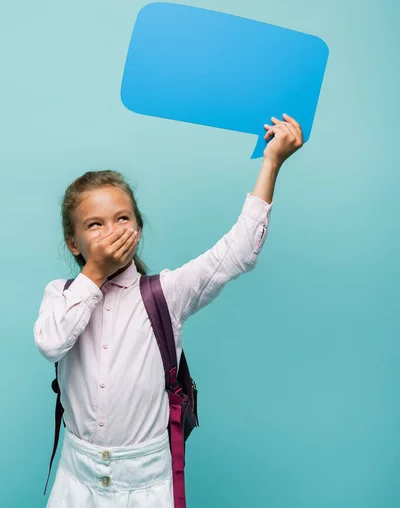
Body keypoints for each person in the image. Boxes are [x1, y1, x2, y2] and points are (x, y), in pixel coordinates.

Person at [34, 114, 303, 507]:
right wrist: (94, 274)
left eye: (122, 219)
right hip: (77, 482)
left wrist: (272, 163)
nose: (111, 232)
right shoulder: (60, 293)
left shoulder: (166, 293)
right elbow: (51, 342)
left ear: (138, 229)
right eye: (94, 225)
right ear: (73, 243)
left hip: (147, 484)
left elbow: (238, 252)